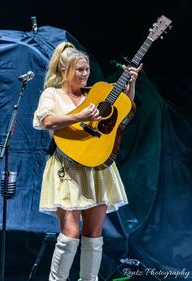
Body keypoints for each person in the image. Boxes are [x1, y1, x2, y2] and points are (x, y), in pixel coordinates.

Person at [33, 41, 142, 281]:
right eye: (79, 70)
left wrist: (131, 83)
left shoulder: (95, 93)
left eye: (87, 69)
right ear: (64, 71)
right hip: (67, 168)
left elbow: (125, 110)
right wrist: (80, 115)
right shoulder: (53, 94)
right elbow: (47, 121)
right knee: (70, 233)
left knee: (94, 233)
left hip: (97, 166)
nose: (85, 74)